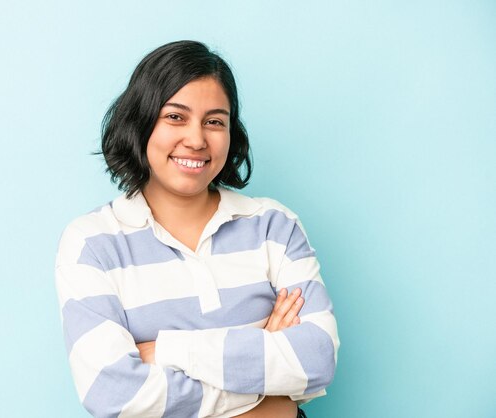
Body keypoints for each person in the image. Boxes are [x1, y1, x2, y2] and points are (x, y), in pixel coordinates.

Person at [55, 40, 339, 418]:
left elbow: (316, 359)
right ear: (141, 123)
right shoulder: (92, 243)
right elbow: (112, 394)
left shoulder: (274, 225)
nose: (196, 139)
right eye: (175, 117)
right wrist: (266, 391)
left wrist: (169, 351)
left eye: (214, 121)